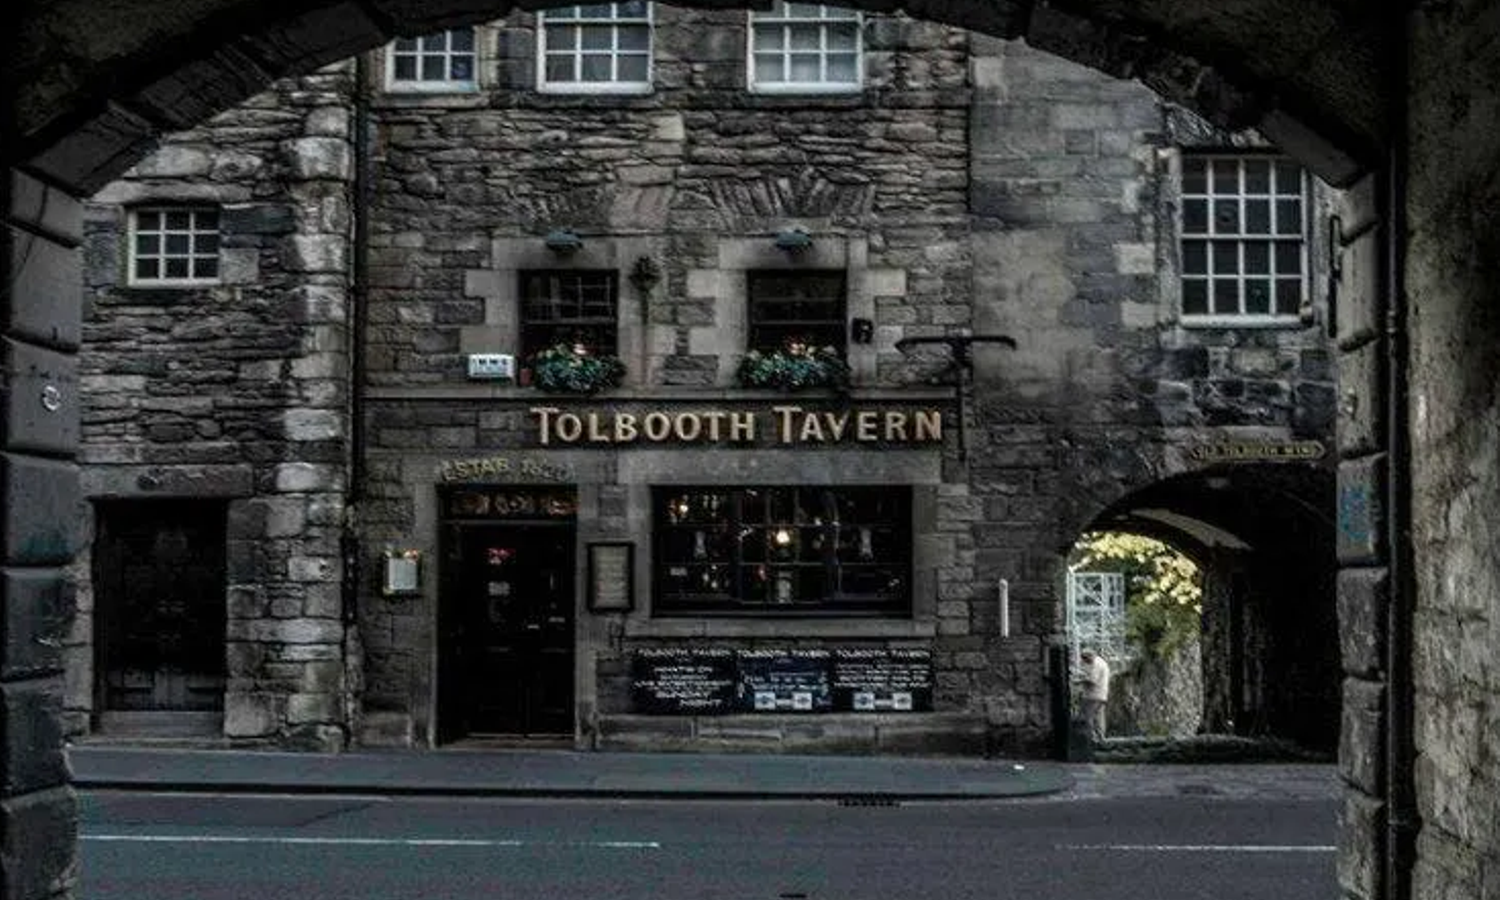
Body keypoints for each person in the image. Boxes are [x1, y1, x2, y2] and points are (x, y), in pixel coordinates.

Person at [1076, 648, 1111, 743]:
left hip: (1093, 695)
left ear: (1090, 656)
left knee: (1089, 717)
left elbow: (1092, 680)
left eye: (1085, 659)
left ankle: (1092, 738)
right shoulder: (1101, 662)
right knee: (1099, 717)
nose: (1084, 662)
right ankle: (1101, 738)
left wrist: (1079, 681)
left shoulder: (1096, 664)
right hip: (1101, 694)